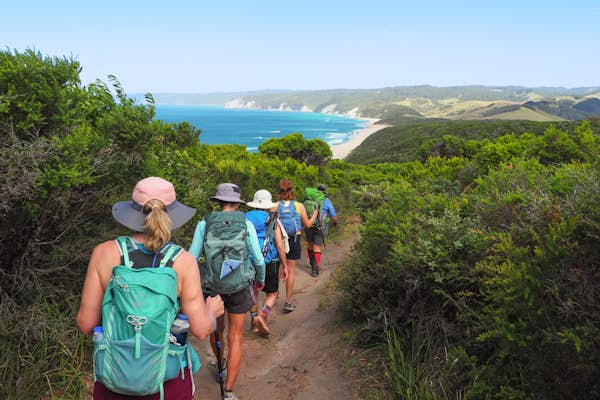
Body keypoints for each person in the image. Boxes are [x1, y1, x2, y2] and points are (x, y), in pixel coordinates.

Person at [76, 176, 225, 400]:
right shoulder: (183, 262)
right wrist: (212, 311)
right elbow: (202, 329)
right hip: (168, 382)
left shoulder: (104, 253)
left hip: (114, 379)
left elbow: (86, 323)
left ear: (133, 211)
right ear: (171, 214)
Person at [189, 183, 266, 400]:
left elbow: (192, 257)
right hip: (239, 286)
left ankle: (220, 366)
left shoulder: (204, 223)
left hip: (213, 287)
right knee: (236, 337)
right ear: (237, 202)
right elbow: (258, 258)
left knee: (217, 331)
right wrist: (259, 280)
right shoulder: (246, 222)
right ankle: (229, 391)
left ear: (218, 201)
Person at [245, 189, 289, 336]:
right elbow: (280, 245)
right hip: (269, 260)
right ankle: (263, 315)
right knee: (273, 293)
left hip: (250, 260)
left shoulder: (245, 218)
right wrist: (284, 265)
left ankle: (253, 323)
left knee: (254, 292)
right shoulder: (272, 219)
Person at [277, 179, 317, 313]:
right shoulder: (299, 206)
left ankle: (273, 293)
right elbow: (308, 224)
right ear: (292, 191)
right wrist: (315, 214)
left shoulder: (275, 206)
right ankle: (288, 301)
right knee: (291, 270)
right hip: (294, 239)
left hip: (279, 240)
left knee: (278, 267)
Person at [306, 184, 338, 277]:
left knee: (310, 245)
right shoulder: (326, 201)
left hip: (309, 225)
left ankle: (312, 263)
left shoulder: (309, 200)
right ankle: (315, 269)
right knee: (317, 247)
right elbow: (333, 216)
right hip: (321, 227)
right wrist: (335, 223)